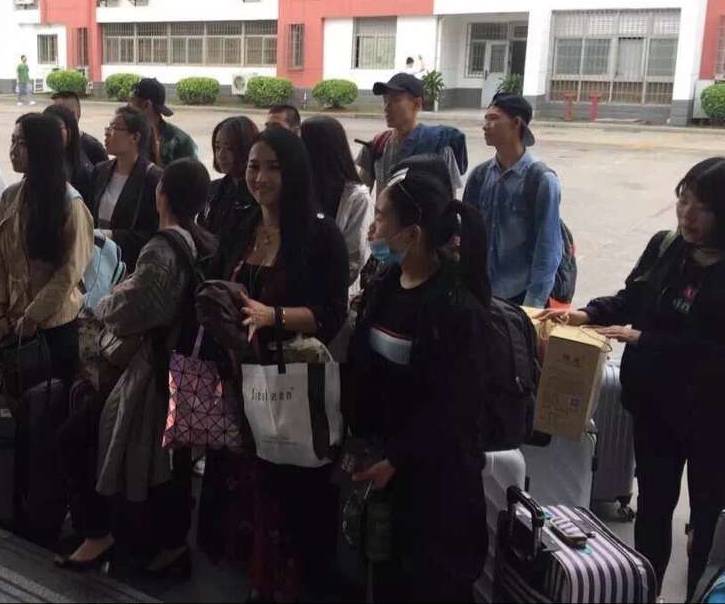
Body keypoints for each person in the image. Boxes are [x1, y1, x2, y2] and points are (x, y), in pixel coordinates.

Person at [538, 158, 725, 600]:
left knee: (707, 516)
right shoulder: (666, 247)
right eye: (683, 201)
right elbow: (632, 297)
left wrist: (646, 339)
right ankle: (647, 590)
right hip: (656, 408)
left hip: (711, 417)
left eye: (702, 207)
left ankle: (698, 593)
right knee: (653, 509)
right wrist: (586, 314)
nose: (687, 215)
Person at [198, 127, 349, 603]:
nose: (259, 178)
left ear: (295, 173)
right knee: (243, 486)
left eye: (272, 168)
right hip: (237, 378)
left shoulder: (320, 236)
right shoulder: (241, 225)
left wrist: (272, 316)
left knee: (287, 491)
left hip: (289, 386)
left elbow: (332, 313)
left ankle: (285, 584)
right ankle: (255, 578)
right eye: (253, 167)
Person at [57, 159, 215, 575]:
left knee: (78, 436)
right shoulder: (201, 242)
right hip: (178, 370)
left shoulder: (163, 248)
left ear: (162, 196)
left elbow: (137, 308)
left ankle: (98, 533)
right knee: (163, 463)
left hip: (148, 373)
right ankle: (161, 546)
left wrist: (105, 302)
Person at [345, 168, 491, 603]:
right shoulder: (385, 285)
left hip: (435, 487)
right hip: (385, 470)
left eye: (381, 217)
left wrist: (399, 458)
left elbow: (454, 408)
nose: (373, 228)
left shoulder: (454, 308)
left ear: (412, 234)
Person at [0, 113, 93, 382]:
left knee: (49, 401)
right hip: (11, 323)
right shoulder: (10, 197)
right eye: (12, 141)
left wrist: (33, 316)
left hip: (53, 327)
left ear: (42, 148)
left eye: (22, 143)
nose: (13, 151)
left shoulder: (70, 204)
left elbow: (69, 273)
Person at [463, 93, 564, 308]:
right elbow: (468, 237)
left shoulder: (541, 180)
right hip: (481, 293)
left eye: (493, 118)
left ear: (516, 123)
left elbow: (547, 250)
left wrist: (532, 307)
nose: (485, 126)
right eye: (485, 118)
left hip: (520, 296)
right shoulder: (479, 176)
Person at [356, 73, 464, 195]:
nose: (386, 107)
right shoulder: (376, 147)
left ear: (417, 104)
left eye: (396, 100)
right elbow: (359, 196)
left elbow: (450, 199)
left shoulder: (439, 148)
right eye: (385, 100)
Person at [300, 115, 372, 294]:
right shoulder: (299, 187)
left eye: (303, 143)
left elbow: (353, 260)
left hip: (330, 294)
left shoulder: (357, 198)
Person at [88, 106, 163, 273]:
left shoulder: (153, 178)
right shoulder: (100, 170)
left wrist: (111, 235)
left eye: (114, 128)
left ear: (134, 137)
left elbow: (153, 233)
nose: (107, 133)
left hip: (130, 267)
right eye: (108, 127)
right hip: (98, 262)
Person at [200, 115, 258, 237]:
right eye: (217, 147)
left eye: (230, 148)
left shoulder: (257, 195)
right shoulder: (213, 189)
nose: (221, 155)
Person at [129, 77, 197, 167]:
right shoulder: (127, 135)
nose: (127, 107)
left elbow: (193, 173)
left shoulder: (180, 142)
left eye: (132, 101)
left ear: (146, 105)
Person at [44, 103, 95, 204]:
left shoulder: (83, 170)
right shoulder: (38, 162)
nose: (51, 132)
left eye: (57, 127)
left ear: (70, 130)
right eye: (46, 126)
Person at [51, 90, 108, 166]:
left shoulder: (93, 147)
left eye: (57, 113)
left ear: (74, 114)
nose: (52, 117)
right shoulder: (48, 144)